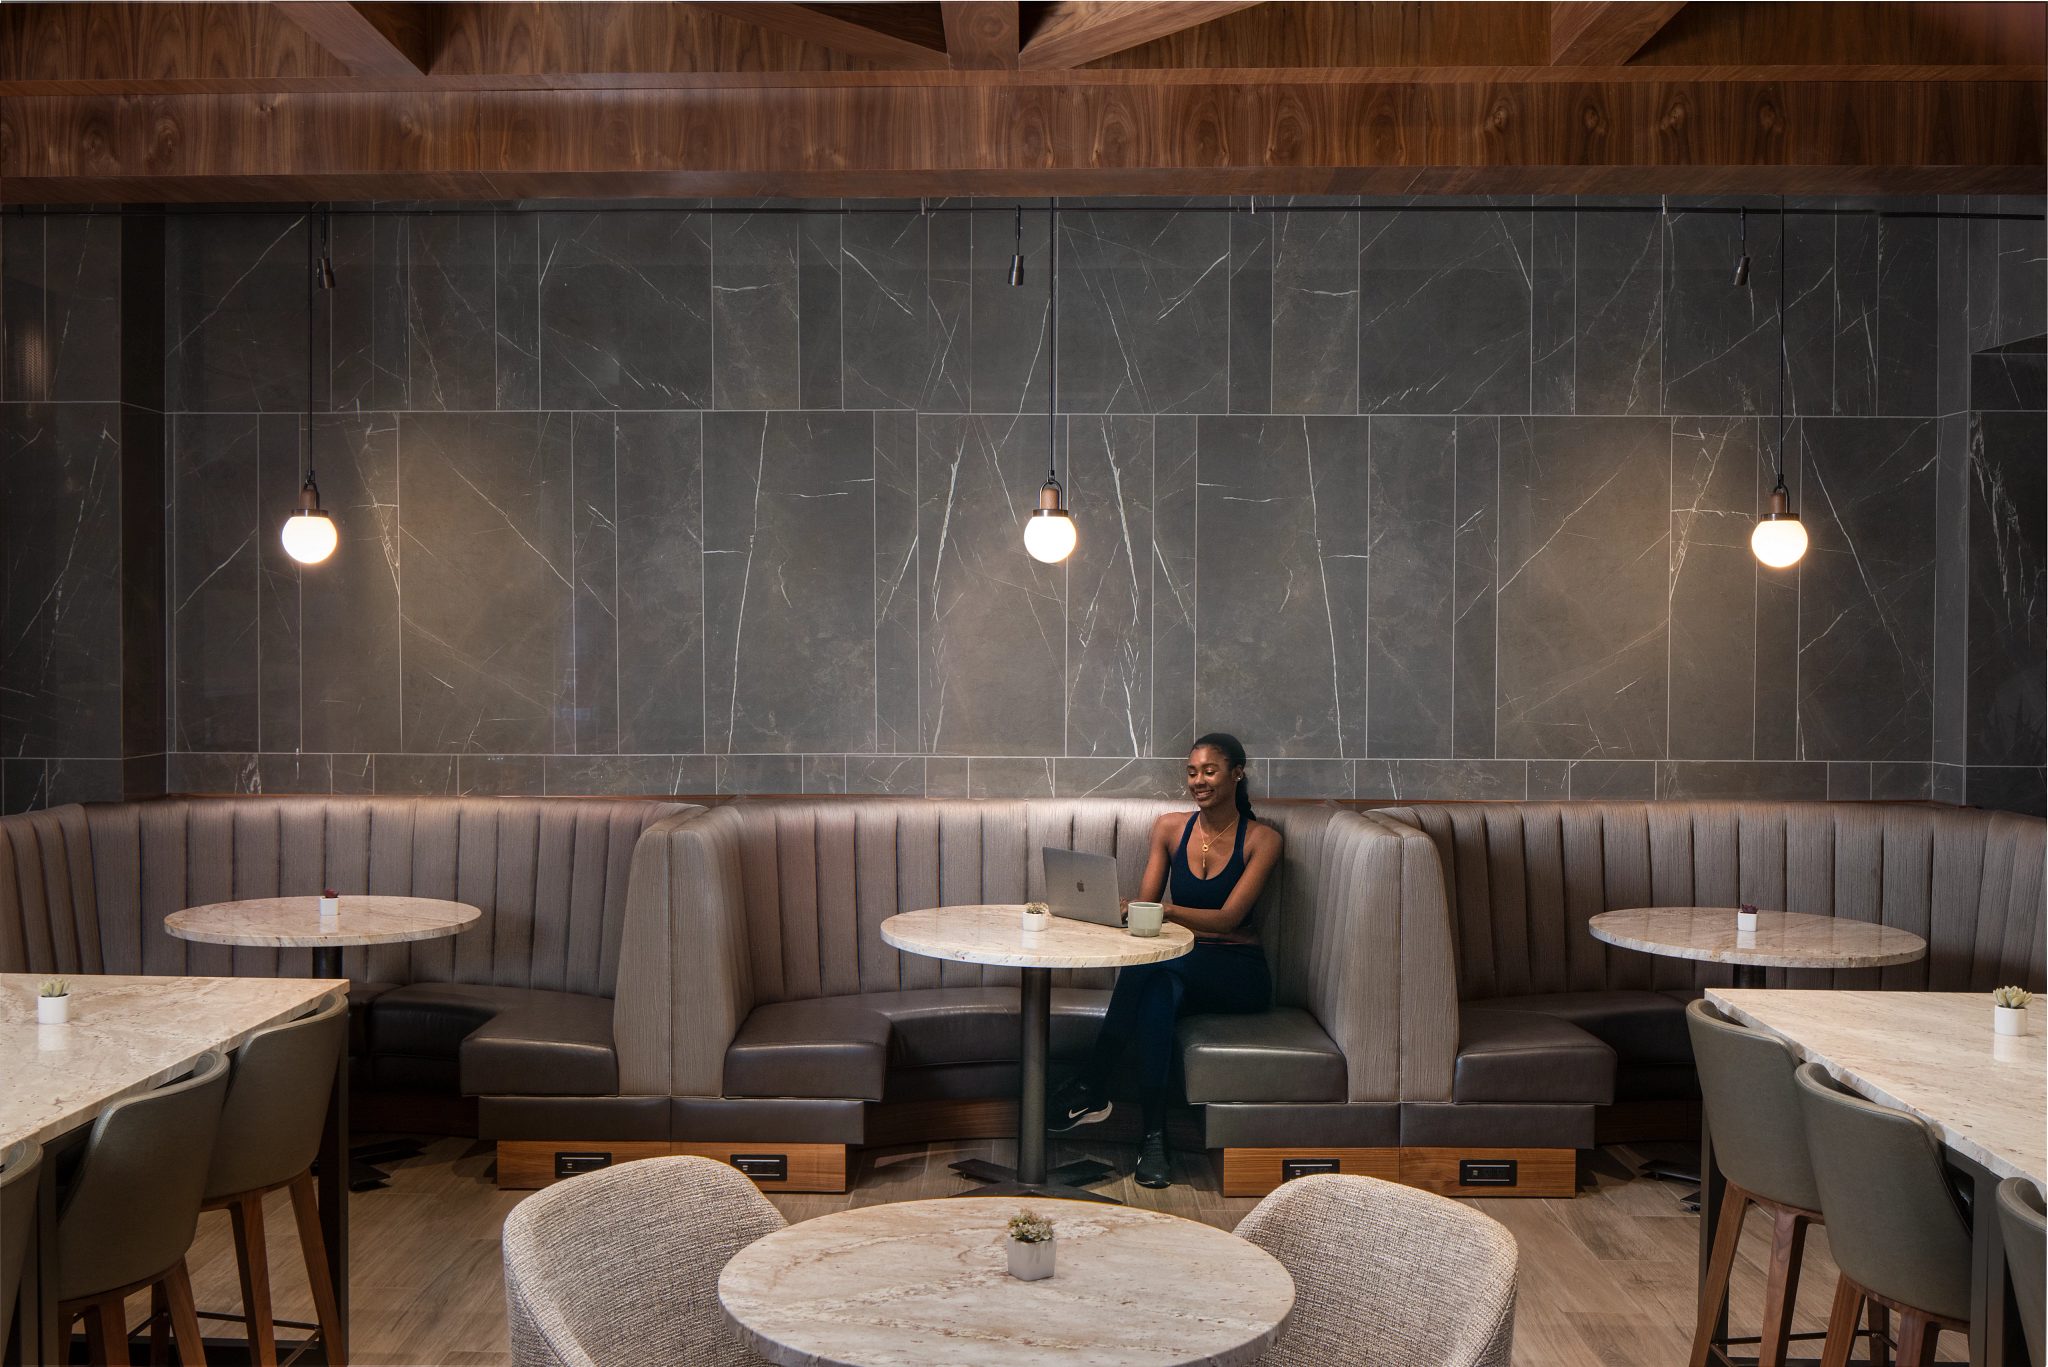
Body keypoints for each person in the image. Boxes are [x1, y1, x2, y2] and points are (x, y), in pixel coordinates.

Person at [1046, 732, 1282, 1189]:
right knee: (1156, 992)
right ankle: (1154, 1139)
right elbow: (1145, 908)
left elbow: (1227, 919)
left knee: (1153, 968)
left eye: (1210, 771)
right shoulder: (1170, 828)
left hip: (1237, 973)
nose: (1198, 781)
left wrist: (1165, 910)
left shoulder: (1263, 839)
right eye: (1192, 772)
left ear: (1237, 773)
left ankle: (1093, 1082)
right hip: (1179, 964)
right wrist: (1118, 909)